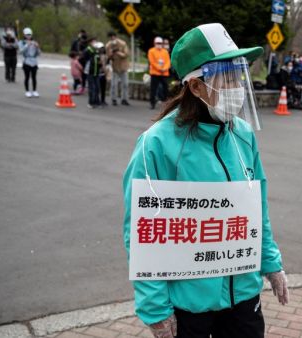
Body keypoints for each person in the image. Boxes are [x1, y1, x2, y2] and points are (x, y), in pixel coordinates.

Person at [122, 23, 288, 338]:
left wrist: (271, 263)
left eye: (239, 75)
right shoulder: (156, 143)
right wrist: (155, 308)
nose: (236, 85)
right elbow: (141, 232)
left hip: (243, 294)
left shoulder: (242, 134)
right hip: (189, 303)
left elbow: (256, 210)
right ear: (196, 86)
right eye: (226, 76)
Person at [106, 31, 130, 106]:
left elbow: (126, 54)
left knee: (125, 84)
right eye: (111, 37)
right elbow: (108, 56)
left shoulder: (123, 43)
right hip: (115, 67)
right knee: (114, 85)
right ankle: (114, 99)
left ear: (116, 36)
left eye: (113, 36)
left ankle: (124, 99)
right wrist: (112, 53)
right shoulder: (108, 45)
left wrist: (118, 52)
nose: (112, 38)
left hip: (123, 67)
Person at [148, 36, 171, 109]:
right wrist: (159, 68)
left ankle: (167, 102)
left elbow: (168, 62)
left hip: (164, 73)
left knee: (166, 88)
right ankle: (152, 103)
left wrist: (164, 68)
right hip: (155, 73)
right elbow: (152, 62)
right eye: (157, 43)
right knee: (153, 89)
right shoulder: (151, 51)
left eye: (160, 43)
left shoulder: (165, 51)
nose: (159, 44)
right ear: (154, 43)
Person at [18, 27, 41, 98]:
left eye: (30, 34)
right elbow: (20, 52)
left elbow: (39, 54)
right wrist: (27, 45)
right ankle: (27, 91)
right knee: (27, 77)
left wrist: (37, 47)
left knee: (34, 77)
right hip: (26, 61)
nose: (29, 36)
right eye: (27, 34)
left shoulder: (35, 42)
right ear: (24, 35)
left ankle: (34, 91)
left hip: (34, 62)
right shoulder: (21, 42)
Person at [80, 38, 101, 108]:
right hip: (90, 72)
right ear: (91, 43)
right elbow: (81, 58)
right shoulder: (88, 50)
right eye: (94, 42)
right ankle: (90, 103)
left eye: (96, 41)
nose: (96, 43)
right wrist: (88, 62)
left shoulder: (97, 50)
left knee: (97, 88)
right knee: (92, 88)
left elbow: (99, 60)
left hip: (97, 72)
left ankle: (96, 102)